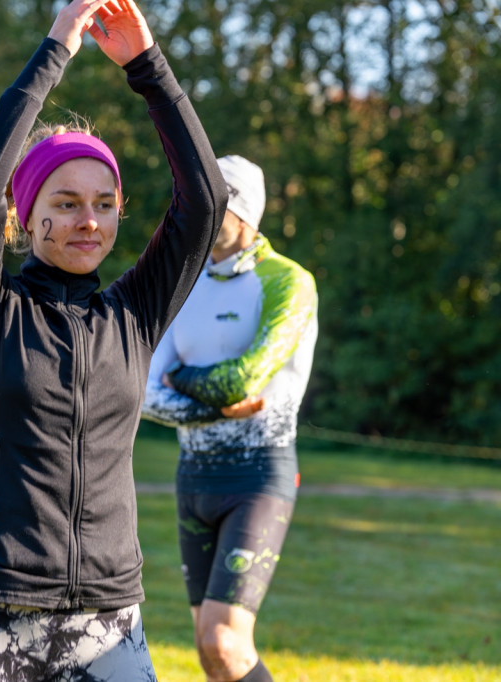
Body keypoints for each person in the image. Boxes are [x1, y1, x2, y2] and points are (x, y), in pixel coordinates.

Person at [0, 1, 227, 678]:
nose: (89, 221)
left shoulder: (133, 315)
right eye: (66, 202)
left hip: (106, 620)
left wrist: (148, 66)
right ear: (25, 216)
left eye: (104, 203)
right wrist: (55, 50)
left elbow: (205, 200)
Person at [141, 154, 318, 681]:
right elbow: (146, 392)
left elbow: (244, 381)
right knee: (210, 650)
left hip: (257, 477)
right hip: (193, 478)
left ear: (243, 211)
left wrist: (186, 382)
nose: (194, 211)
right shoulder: (183, 282)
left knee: (224, 641)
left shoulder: (288, 282)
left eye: (209, 202)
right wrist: (213, 401)